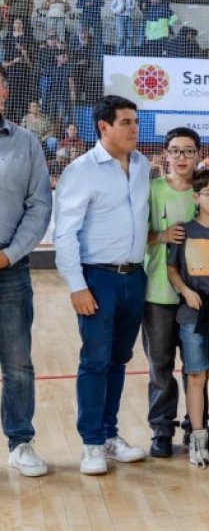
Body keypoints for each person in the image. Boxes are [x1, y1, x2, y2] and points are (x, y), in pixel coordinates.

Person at [54, 95, 150, 475]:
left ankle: (110, 434)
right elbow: (65, 235)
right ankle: (91, 443)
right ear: (103, 127)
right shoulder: (80, 171)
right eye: (125, 122)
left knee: (119, 359)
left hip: (134, 278)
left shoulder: (142, 165)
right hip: (97, 279)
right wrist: (77, 286)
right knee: (95, 361)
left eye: (135, 121)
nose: (134, 129)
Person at [0, 68, 52, 476]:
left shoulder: (26, 142)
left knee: (17, 363)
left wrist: (10, 255)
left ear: (4, 91)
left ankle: (20, 442)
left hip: (10, 270)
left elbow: (39, 206)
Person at [167, 169, 209, 467]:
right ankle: (198, 436)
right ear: (196, 197)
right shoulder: (183, 232)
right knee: (195, 375)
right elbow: (171, 269)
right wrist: (185, 290)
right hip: (191, 314)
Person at [142, 127, 199, 457]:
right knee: (160, 365)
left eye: (188, 151)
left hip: (198, 295)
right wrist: (161, 236)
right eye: (175, 150)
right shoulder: (152, 190)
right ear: (165, 154)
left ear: (197, 155)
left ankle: (196, 425)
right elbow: (135, 233)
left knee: (196, 366)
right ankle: (162, 429)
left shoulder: (206, 191)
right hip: (159, 294)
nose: (181, 157)